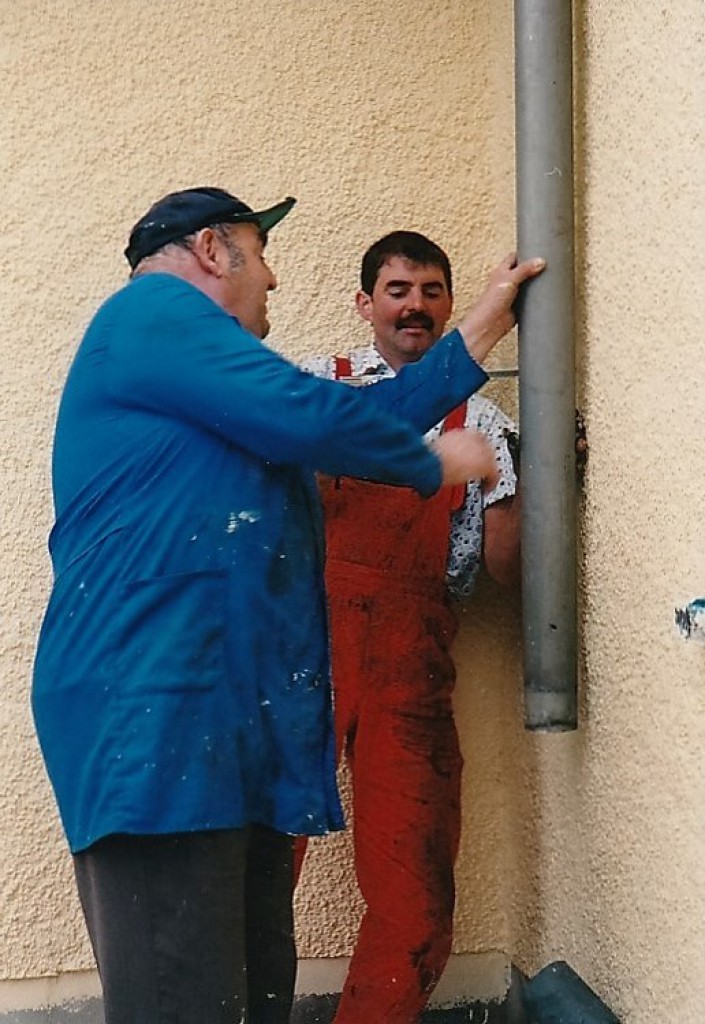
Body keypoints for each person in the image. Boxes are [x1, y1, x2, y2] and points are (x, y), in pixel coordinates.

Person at [31, 188, 543, 1024]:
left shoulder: (209, 383)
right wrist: (434, 465)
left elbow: (347, 419)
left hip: (222, 728)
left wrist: (484, 320)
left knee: (249, 990)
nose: (271, 278)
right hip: (157, 723)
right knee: (186, 1000)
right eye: (259, 252)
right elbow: (317, 415)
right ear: (209, 250)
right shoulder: (152, 315)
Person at [300, 231, 523, 1024]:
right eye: (397, 289)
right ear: (366, 303)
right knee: (250, 862)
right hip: (300, 658)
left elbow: (502, 574)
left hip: (411, 667)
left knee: (415, 884)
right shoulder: (314, 391)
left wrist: (536, 492)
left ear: (449, 306)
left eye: (431, 292)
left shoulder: (489, 423)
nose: (414, 306)